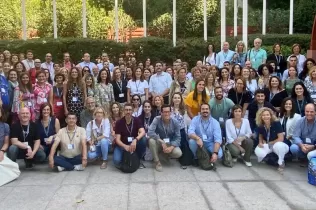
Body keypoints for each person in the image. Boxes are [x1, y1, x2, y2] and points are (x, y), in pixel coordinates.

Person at [148, 104, 182, 171]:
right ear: (161, 113)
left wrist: (171, 147)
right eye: (164, 112)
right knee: (151, 141)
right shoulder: (157, 119)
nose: (166, 114)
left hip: (170, 142)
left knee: (178, 153)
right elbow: (150, 132)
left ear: (171, 112)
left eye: (168, 112)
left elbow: (178, 138)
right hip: (159, 142)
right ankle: (157, 162)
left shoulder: (175, 122)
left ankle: (164, 155)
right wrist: (161, 140)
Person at [254, 107, 289, 172]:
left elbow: (281, 138)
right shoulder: (260, 125)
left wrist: (269, 143)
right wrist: (260, 142)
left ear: (270, 116)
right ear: (261, 116)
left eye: (267, 115)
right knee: (258, 151)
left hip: (279, 145)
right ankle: (268, 157)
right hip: (269, 145)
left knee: (278, 145)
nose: (266, 117)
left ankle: (281, 162)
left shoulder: (276, 123)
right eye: (263, 115)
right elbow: (260, 135)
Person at [113, 103, 146, 167]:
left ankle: (138, 158)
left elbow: (143, 132)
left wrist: (135, 140)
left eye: (130, 110)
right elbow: (117, 139)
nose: (128, 112)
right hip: (122, 145)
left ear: (132, 111)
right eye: (126, 110)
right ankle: (127, 157)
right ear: (123, 111)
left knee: (143, 139)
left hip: (134, 144)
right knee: (116, 162)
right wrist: (125, 146)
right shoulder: (119, 122)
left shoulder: (137, 120)